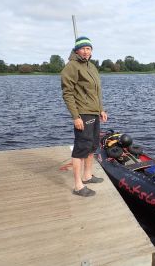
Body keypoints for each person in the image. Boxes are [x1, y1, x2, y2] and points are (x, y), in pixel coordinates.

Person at [61, 36, 108, 197]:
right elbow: (67, 93)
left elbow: (97, 91)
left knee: (92, 145)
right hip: (83, 112)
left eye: (89, 48)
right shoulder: (71, 67)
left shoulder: (91, 66)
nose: (86, 51)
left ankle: (87, 176)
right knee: (81, 147)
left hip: (94, 111)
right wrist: (76, 116)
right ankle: (78, 186)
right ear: (76, 50)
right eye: (83, 48)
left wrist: (101, 109)